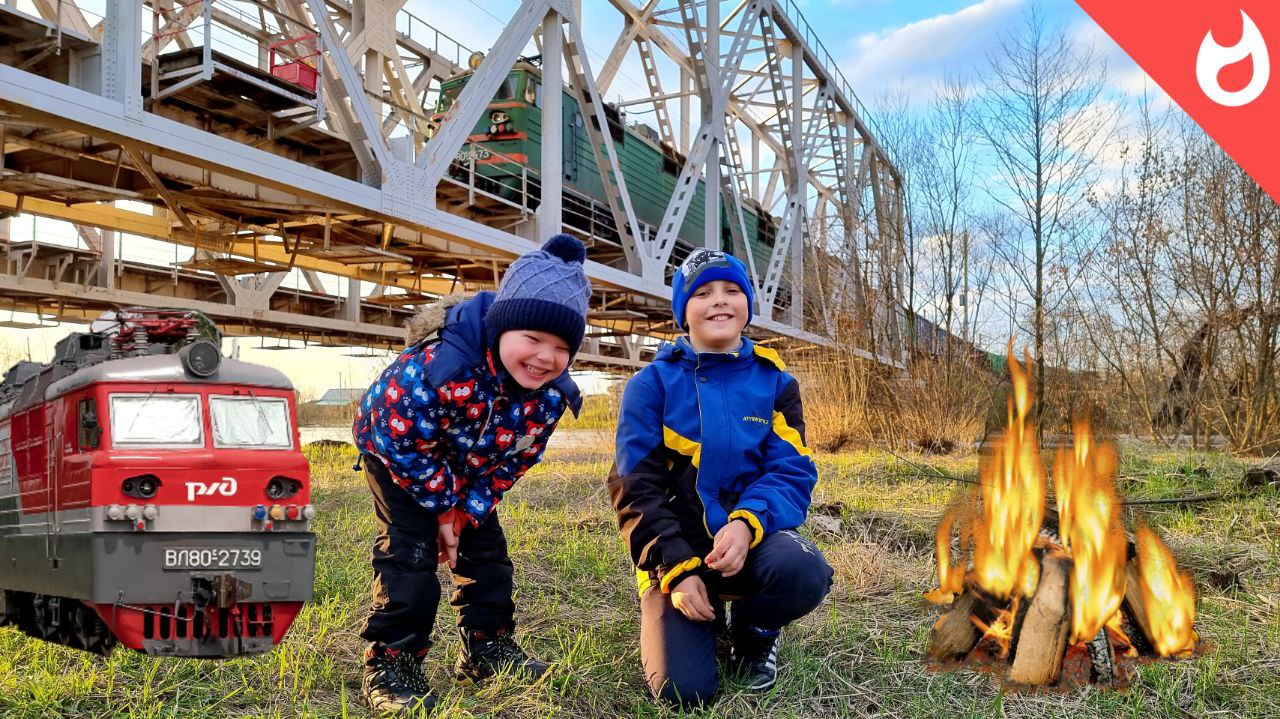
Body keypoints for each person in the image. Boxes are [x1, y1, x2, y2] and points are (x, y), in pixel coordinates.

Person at [352, 234, 591, 715]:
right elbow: (394, 435)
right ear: (502, 328)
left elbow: (516, 459)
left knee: (487, 556)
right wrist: (440, 507)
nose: (546, 356)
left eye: (562, 346)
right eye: (533, 338)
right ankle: (390, 662)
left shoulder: (550, 397)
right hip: (398, 454)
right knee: (411, 555)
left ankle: (487, 647)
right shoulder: (440, 368)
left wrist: (467, 508)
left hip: (467, 468)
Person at [608, 248, 834, 707]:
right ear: (682, 311)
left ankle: (754, 634)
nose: (720, 301)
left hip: (750, 541)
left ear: (748, 304)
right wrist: (676, 567)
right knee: (683, 691)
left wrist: (747, 522)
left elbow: (792, 469)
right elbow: (635, 488)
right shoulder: (650, 385)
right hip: (677, 552)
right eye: (703, 293)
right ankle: (693, 615)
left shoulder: (777, 383)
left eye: (733, 290)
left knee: (804, 571)